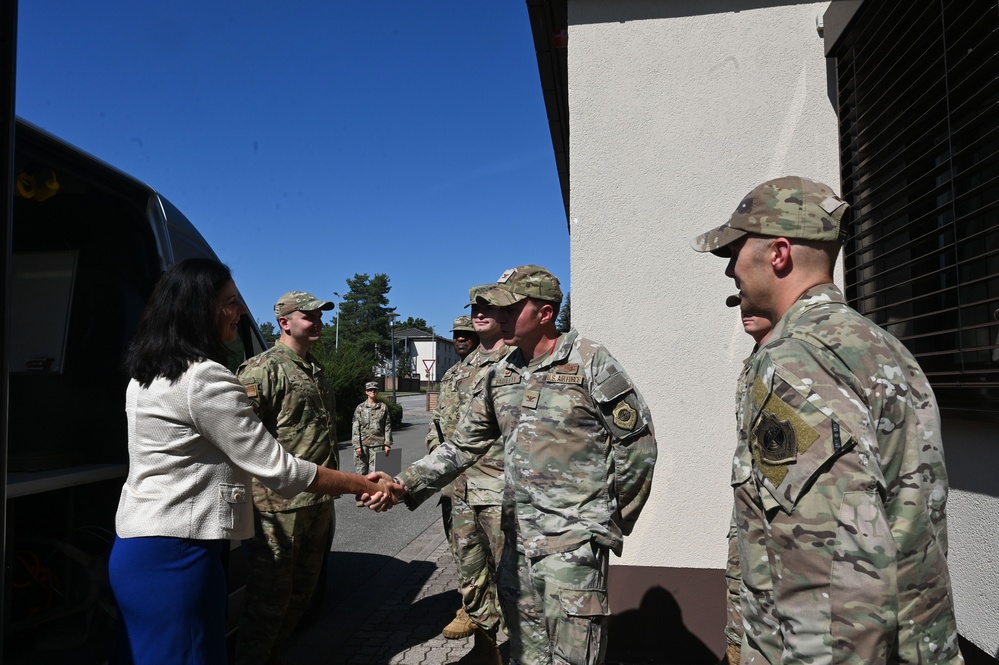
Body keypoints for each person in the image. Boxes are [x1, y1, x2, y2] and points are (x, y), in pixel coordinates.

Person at [691, 176, 964, 664]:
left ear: (778, 254)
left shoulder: (795, 362)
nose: (730, 268)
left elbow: (832, 585)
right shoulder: (882, 348)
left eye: (736, 250)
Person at [108, 259, 392, 665]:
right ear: (197, 308)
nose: (241, 312)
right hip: (180, 555)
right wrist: (364, 484)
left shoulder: (146, 374)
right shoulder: (206, 378)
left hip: (139, 550)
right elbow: (277, 467)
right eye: (230, 302)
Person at [379, 265, 658, 665]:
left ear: (545, 313)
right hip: (516, 546)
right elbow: (461, 446)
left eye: (510, 308)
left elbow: (638, 446)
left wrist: (604, 519)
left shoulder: (589, 362)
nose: (500, 317)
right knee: (525, 657)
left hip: (571, 549)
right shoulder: (501, 373)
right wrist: (403, 483)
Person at [233, 291, 338, 665]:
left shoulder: (315, 369)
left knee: (301, 598)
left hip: (318, 502)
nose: (317, 322)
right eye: (308, 316)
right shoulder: (262, 369)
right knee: (268, 605)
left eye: (319, 315)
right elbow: (242, 440)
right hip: (278, 508)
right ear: (285, 322)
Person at [425, 315, 481, 641]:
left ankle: (474, 610)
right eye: (456, 335)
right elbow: (437, 423)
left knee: (476, 548)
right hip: (449, 478)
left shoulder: (489, 370)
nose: (460, 339)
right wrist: (436, 456)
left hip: (475, 478)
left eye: (466, 334)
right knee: (456, 545)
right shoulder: (449, 375)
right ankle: (470, 603)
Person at [352, 380, 393, 485]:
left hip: (378, 445)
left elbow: (387, 426)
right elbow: (355, 427)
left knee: (377, 474)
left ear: (377, 391)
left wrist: (387, 443)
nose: (372, 392)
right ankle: (361, 498)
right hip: (363, 445)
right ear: (366, 392)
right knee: (360, 473)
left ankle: (375, 496)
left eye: (374, 390)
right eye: (370, 390)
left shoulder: (383, 407)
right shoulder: (360, 408)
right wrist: (357, 446)